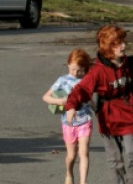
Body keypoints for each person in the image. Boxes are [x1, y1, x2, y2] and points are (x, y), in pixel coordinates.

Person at [65, 25, 133, 184]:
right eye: (117, 43)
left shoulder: (130, 64)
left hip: (130, 115)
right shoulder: (97, 71)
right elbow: (81, 89)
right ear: (108, 47)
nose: (123, 46)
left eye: (123, 42)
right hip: (108, 118)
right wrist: (71, 106)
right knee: (115, 161)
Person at [43, 48, 94, 184]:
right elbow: (46, 97)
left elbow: (92, 100)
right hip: (68, 122)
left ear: (85, 68)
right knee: (71, 155)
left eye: (79, 70)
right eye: (72, 69)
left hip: (85, 120)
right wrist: (58, 101)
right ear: (68, 65)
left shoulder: (87, 80)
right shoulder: (62, 80)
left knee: (84, 153)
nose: (75, 73)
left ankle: (83, 182)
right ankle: (69, 174)